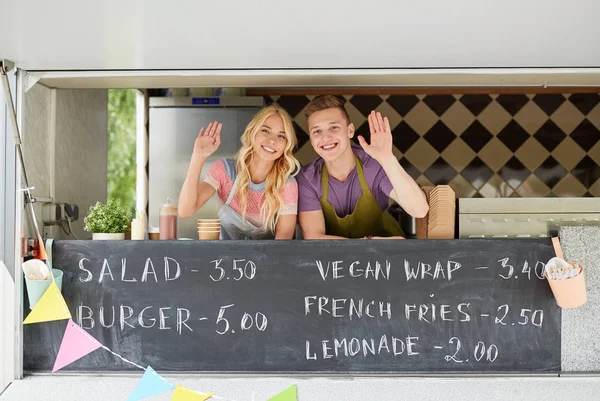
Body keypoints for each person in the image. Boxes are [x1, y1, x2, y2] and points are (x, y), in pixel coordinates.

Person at [297, 95, 429, 239]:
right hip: (334, 259)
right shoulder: (308, 178)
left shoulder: (373, 165)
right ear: (311, 139)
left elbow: (419, 210)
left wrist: (387, 158)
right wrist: (366, 243)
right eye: (317, 131)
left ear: (350, 130)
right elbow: (314, 238)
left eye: (334, 128)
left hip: (386, 256)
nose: (325, 137)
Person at [178, 105, 301, 240]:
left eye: (281, 136)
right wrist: (198, 157)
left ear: (286, 145)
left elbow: (283, 240)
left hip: (268, 259)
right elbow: (185, 210)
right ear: (251, 133)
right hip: (225, 259)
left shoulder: (287, 184)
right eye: (266, 131)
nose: (272, 140)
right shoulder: (225, 171)